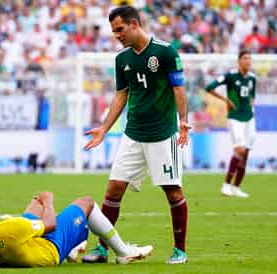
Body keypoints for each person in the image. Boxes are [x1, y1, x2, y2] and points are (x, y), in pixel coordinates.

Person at [83, 6, 190, 264]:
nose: (116, 35)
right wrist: (104, 128)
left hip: (163, 135)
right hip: (132, 135)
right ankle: (102, 249)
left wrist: (184, 120)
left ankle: (180, 251)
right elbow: (121, 95)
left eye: (120, 29)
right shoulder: (122, 60)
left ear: (134, 24)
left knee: (173, 191)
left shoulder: (165, 52)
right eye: (113, 31)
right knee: (113, 191)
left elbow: (178, 89)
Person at [0, 183, 152, 268]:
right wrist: (49, 202)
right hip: (50, 250)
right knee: (86, 203)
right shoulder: (13, 227)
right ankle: (123, 252)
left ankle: (75, 245)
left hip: (23, 245)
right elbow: (50, 225)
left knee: (36, 203)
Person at [205, 50, 256, 198]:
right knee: (239, 150)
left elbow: (253, 97)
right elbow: (209, 87)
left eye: (249, 59)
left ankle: (236, 187)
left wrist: (251, 108)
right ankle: (226, 185)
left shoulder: (252, 78)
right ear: (239, 61)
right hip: (235, 117)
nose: (248, 61)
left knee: (246, 153)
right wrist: (226, 100)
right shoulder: (230, 76)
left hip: (249, 118)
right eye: (245, 58)